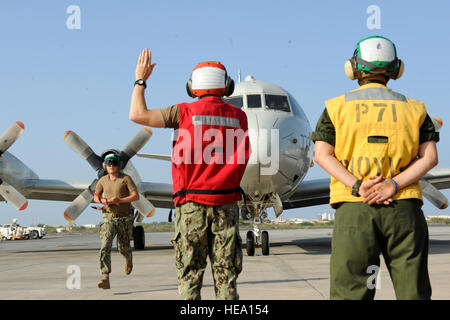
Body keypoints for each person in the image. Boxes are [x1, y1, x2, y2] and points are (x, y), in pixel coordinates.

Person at [312, 36, 439, 300]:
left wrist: (359, 185)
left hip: (354, 206)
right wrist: (392, 184)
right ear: (396, 69)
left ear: (353, 68)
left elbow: (323, 155)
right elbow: (429, 159)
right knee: (413, 291)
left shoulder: (335, 108)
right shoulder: (416, 109)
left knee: (351, 292)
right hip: (403, 207)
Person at [129, 49, 251, 300]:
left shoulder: (182, 112)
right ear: (226, 86)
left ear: (192, 87)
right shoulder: (240, 116)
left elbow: (137, 114)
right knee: (226, 275)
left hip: (191, 205)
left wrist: (140, 80)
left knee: (190, 274)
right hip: (226, 205)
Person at [93, 152, 139, 289]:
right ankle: (105, 277)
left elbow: (135, 196)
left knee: (123, 248)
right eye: (108, 163)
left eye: (114, 162)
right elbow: (96, 196)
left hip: (124, 218)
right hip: (109, 217)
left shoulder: (126, 179)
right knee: (105, 244)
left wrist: (120, 200)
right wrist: (102, 200)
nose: (111, 165)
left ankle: (128, 258)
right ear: (105, 166)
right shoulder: (102, 181)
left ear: (119, 165)